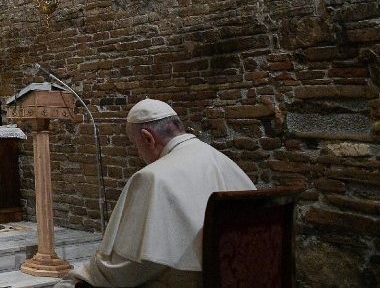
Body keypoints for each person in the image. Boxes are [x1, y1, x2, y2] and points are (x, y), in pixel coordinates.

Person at [62, 98, 255, 288]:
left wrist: (85, 273)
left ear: (148, 138)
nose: (139, 153)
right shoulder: (226, 163)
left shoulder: (152, 177)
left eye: (136, 146)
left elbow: (130, 266)